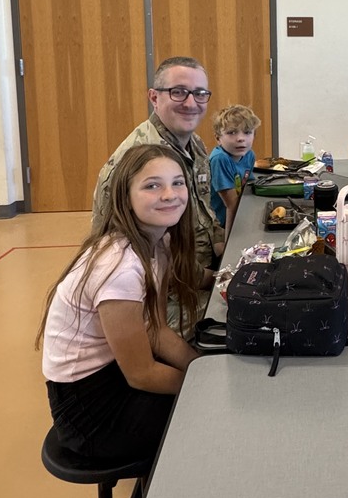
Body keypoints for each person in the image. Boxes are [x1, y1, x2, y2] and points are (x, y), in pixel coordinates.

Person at [37, 144, 199, 462]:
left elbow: (157, 331)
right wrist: (204, 388)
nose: (170, 194)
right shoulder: (120, 268)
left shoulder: (160, 243)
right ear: (125, 197)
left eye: (178, 182)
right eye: (152, 185)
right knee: (202, 420)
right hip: (89, 410)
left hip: (114, 374)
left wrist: (202, 367)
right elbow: (141, 374)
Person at [92, 56, 225, 317]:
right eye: (178, 92)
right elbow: (140, 262)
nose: (190, 103)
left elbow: (204, 216)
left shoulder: (194, 145)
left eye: (199, 93)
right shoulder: (140, 160)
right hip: (157, 299)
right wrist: (217, 280)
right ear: (154, 97)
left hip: (198, 273)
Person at [209, 104, 261, 237]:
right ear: (218, 138)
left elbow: (248, 186)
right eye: (232, 132)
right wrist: (230, 243)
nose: (240, 138)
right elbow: (232, 205)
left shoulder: (249, 155)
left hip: (239, 215)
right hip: (218, 225)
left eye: (247, 132)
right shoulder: (220, 159)